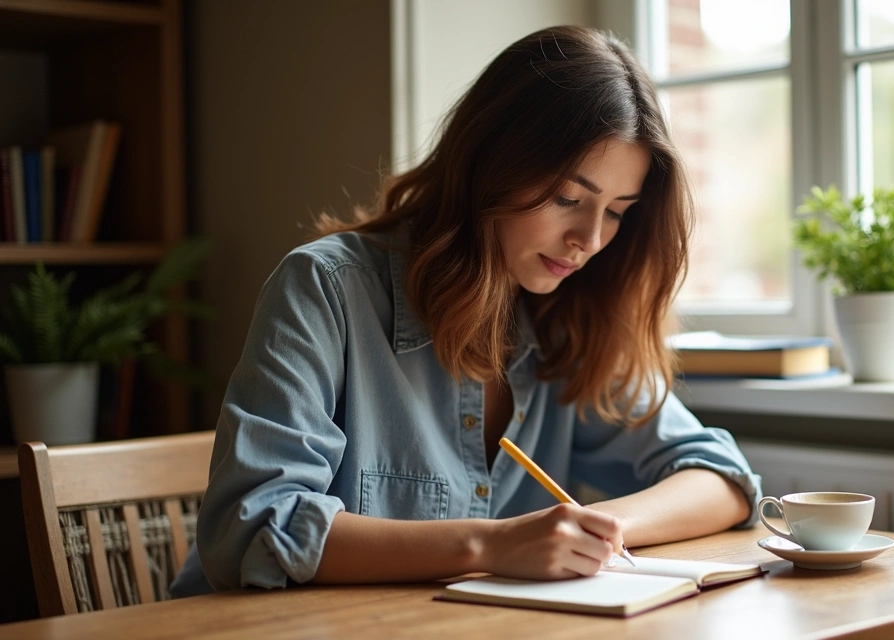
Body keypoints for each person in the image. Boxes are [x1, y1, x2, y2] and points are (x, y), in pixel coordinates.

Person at [170, 25, 760, 596]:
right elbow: (252, 528)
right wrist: (491, 545)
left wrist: (598, 534)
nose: (591, 239)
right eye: (568, 198)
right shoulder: (326, 288)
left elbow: (724, 480)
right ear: (491, 162)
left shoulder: (571, 319)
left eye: (617, 211)